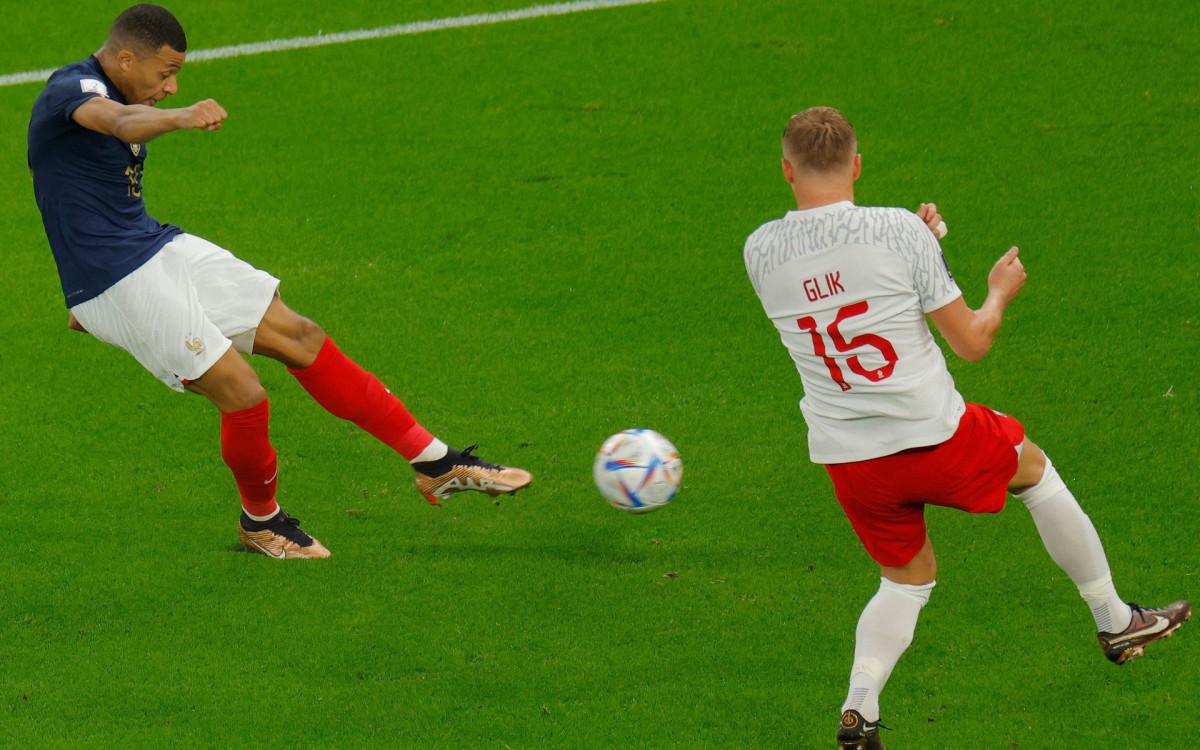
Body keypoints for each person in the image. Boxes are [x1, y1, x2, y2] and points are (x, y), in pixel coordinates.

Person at [742, 106, 1190, 749]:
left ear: (786, 170)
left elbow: (840, 286)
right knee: (1032, 469)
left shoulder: (759, 250)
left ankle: (858, 709)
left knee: (907, 579)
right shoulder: (897, 232)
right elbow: (973, 341)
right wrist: (997, 289)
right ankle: (1116, 620)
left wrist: (921, 248)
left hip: (850, 461)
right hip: (934, 437)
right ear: (859, 165)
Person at [27, 4, 532, 559]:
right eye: (164, 73)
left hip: (151, 247)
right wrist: (183, 116)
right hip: (114, 276)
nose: (171, 87)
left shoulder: (121, 89)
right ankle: (260, 523)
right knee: (243, 394)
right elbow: (119, 124)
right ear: (126, 58)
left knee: (300, 336)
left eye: (177, 78)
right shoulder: (73, 90)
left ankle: (436, 462)